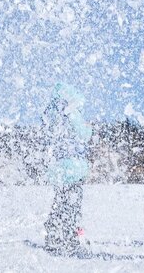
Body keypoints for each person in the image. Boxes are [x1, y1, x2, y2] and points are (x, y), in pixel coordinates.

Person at [41, 83, 92, 255]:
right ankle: (69, 238)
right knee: (72, 204)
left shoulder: (52, 112)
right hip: (73, 167)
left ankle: (54, 235)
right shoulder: (72, 112)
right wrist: (87, 127)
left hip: (58, 168)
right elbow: (84, 135)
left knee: (61, 201)